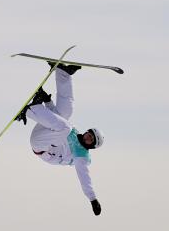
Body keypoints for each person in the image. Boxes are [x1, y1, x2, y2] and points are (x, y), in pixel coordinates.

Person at [15, 63, 104, 215]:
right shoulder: (74, 132)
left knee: (65, 128)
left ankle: (31, 109)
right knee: (66, 113)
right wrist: (47, 102)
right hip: (46, 135)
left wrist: (93, 199)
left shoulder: (80, 156)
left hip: (40, 147)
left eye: (91, 139)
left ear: (91, 146)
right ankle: (63, 74)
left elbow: (85, 179)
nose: (88, 137)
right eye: (90, 133)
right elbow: (55, 121)